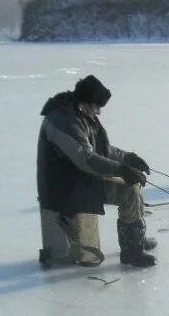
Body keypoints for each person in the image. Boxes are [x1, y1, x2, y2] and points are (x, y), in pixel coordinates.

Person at [36, 75, 157, 268]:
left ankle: (136, 240)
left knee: (134, 185)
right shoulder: (62, 120)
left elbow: (102, 150)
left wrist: (127, 158)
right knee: (128, 191)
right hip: (65, 188)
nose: (99, 111)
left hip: (80, 179)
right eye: (97, 106)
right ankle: (131, 253)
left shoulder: (80, 114)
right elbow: (86, 158)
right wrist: (122, 170)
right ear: (85, 102)